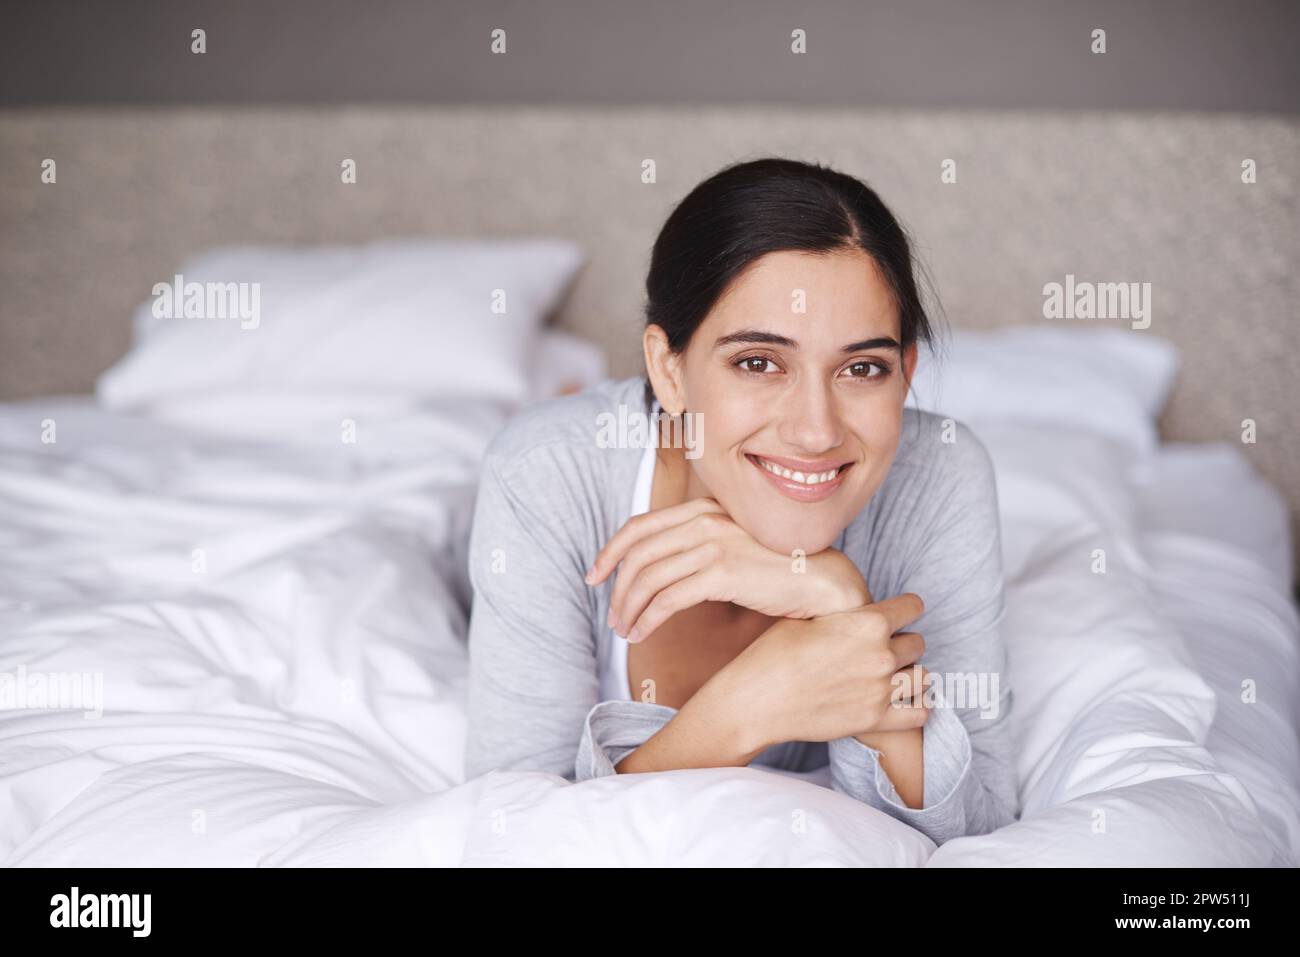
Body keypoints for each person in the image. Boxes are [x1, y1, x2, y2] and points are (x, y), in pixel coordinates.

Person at [464, 157, 1017, 845]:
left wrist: (844, 610)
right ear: (669, 370)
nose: (816, 430)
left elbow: (985, 822)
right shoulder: (545, 474)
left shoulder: (939, 473)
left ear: (905, 374)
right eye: (759, 362)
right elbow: (512, 837)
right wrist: (747, 706)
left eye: (862, 368)